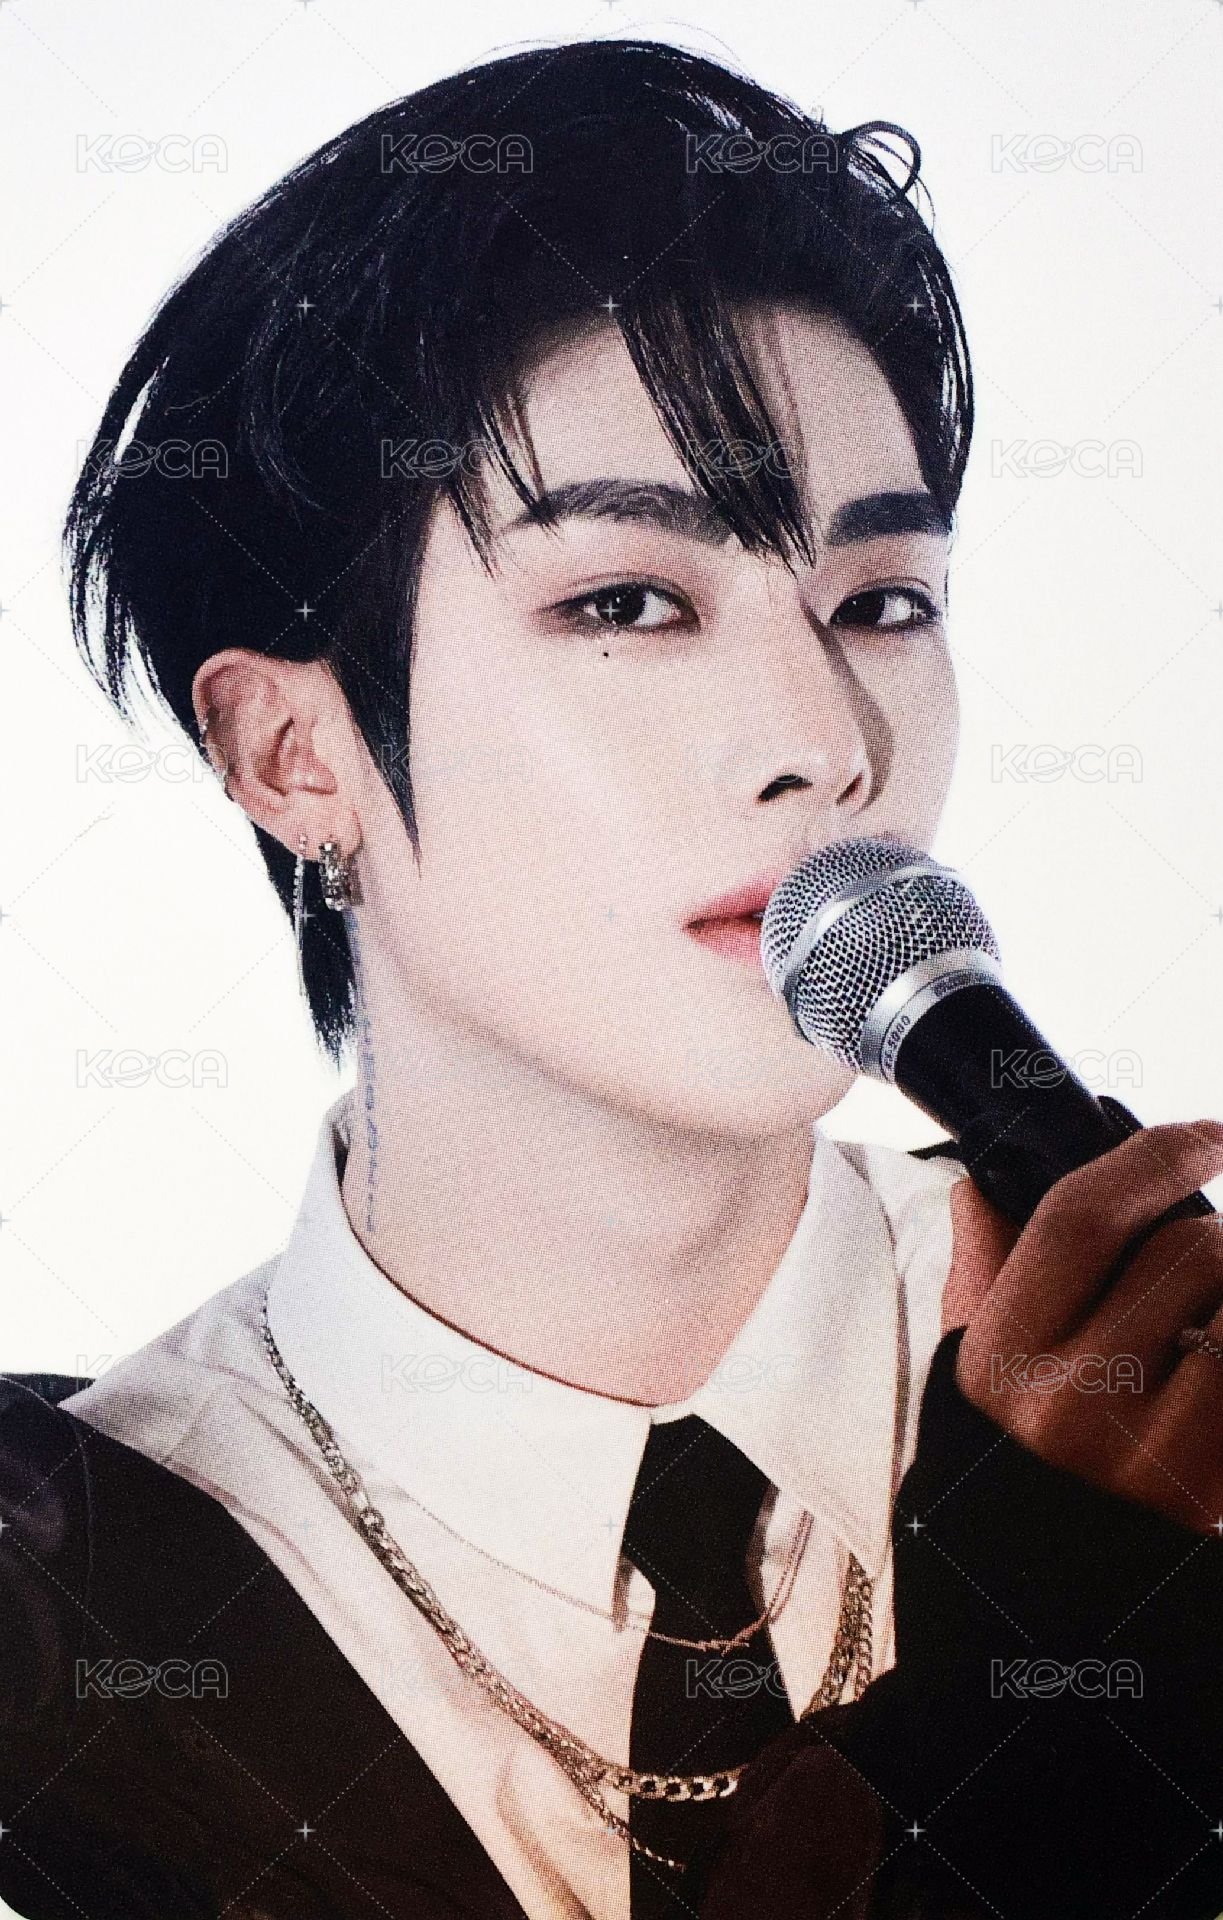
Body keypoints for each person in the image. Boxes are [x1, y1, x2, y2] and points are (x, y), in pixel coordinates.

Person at [2, 36, 1222, 1920]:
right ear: (293, 754)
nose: (825, 741)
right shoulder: (74, 1635)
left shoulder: (1170, 1388)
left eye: (881, 603)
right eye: (629, 603)